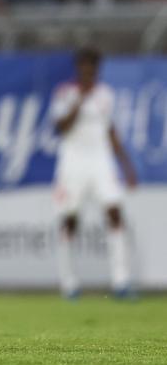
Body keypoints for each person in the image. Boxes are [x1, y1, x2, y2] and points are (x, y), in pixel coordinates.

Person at [51, 47, 137, 300]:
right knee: (69, 219)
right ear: (78, 68)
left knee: (115, 212)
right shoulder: (66, 93)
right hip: (73, 162)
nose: (88, 72)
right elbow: (61, 126)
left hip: (101, 160)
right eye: (84, 67)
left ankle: (121, 281)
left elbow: (111, 131)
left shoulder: (106, 95)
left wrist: (127, 166)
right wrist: (80, 100)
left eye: (92, 68)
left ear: (97, 69)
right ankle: (69, 284)